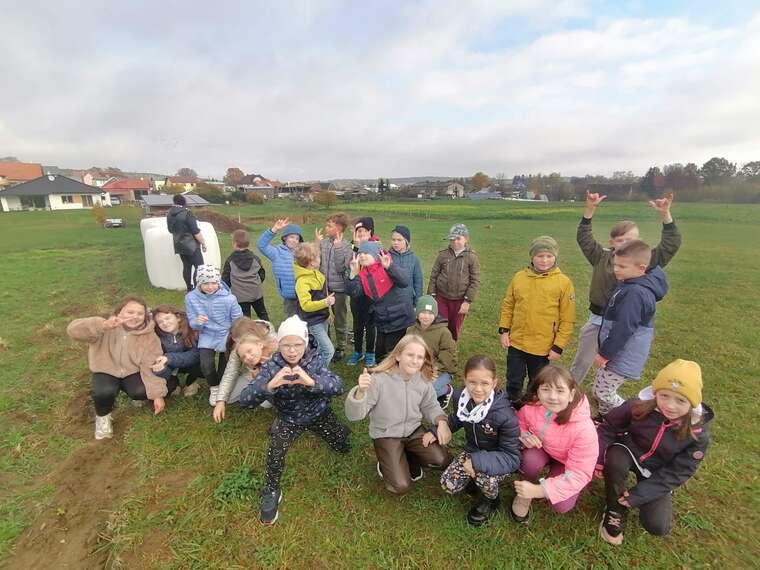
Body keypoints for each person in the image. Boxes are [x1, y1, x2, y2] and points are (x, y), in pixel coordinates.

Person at [239, 316, 351, 525]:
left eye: (297, 345)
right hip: (289, 419)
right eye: (286, 345)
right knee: (275, 451)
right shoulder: (272, 366)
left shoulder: (315, 360)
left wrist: (311, 381)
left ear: (306, 343)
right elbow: (245, 401)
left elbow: (338, 386)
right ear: (278, 344)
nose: (291, 351)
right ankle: (272, 490)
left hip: (319, 414)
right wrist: (270, 385)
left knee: (343, 445)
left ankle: (339, 432)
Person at [597, 359, 712, 545]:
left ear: (692, 403)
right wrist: (599, 458)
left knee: (657, 526)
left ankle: (654, 492)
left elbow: (680, 471)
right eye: (664, 396)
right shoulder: (637, 405)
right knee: (615, 458)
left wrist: (640, 494)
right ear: (655, 392)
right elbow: (608, 426)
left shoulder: (698, 434)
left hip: (659, 472)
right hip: (628, 452)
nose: (670, 405)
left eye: (681, 400)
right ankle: (614, 509)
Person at [571, 191, 682, 383]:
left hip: (624, 323)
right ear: (612, 242)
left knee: (614, 365)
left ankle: (604, 393)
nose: (625, 244)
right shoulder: (601, 257)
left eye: (631, 240)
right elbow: (584, 239)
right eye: (620, 240)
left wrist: (665, 215)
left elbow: (670, 245)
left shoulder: (645, 261)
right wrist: (589, 210)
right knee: (582, 360)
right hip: (598, 319)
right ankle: (569, 392)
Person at [345, 335, 452, 495]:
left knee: (441, 459)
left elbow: (430, 405)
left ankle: (408, 456)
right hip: (386, 435)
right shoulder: (379, 380)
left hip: (413, 431)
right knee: (400, 485)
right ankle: (385, 462)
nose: (415, 361)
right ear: (398, 355)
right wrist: (360, 393)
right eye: (410, 355)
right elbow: (354, 416)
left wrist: (441, 421)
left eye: (420, 357)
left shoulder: (422, 379)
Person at [426, 355, 520, 526]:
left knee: (485, 478)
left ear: (494, 382)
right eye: (472, 382)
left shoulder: (505, 415)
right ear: (465, 380)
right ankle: (475, 479)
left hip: (497, 460)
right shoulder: (462, 399)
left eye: (484, 383)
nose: (477, 389)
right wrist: (437, 429)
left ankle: (491, 500)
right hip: (472, 452)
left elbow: (512, 458)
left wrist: (476, 461)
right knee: (449, 484)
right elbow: (458, 418)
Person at [66, 295, 167, 440]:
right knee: (104, 392)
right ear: (119, 312)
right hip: (105, 370)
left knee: (140, 391)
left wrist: (157, 395)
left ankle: (133, 394)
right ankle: (103, 418)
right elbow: (72, 331)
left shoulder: (150, 336)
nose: (135, 317)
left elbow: (150, 365)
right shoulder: (105, 326)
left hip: (131, 372)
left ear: (145, 316)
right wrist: (102, 325)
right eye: (130, 312)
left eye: (140, 314)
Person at [511, 365, 598, 523]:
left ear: (571, 394)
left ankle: (533, 490)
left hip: (567, 463)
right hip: (543, 449)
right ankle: (525, 489)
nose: (552, 397)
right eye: (546, 389)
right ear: (537, 391)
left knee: (562, 505)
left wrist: (540, 490)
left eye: (560, 390)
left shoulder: (585, 430)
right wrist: (523, 434)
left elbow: (580, 473)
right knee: (529, 460)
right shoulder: (532, 406)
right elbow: (519, 422)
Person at [592, 240, 668, 416]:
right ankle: (605, 419)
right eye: (615, 264)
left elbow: (624, 328)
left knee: (602, 392)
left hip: (623, 354)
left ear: (641, 268)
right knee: (600, 389)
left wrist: (605, 354)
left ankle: (631, 415)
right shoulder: (629, 284)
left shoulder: (634, 293)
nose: (616, 269)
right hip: (619, 353)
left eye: (622, 266)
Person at [498, 236, 576, 402]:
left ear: (555, 257)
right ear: (532, 257)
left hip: (543, 347)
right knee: (513, 380)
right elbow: (508, 305)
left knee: (536, 383)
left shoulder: (563, 283)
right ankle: (512, 406)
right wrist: (504, 330)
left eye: (549, 256)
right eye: (540, 256)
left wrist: (558, 346)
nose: (544, 260)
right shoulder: (519, 277)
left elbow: (567, 319)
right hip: (517, 343)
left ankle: (530, 409)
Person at [345, 240, 415, 363]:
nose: (362, 255)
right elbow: (354, 293)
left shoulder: (386, 266)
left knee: (392, 354)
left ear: (376, 255)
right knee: (380, 354)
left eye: (366, 253)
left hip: (398, 318)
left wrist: (389, 267)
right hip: (382, 320)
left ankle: (396, 378)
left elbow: (404, 281)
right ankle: (384, 376)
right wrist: (353, 273)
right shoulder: (363, 274)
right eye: (360, 253)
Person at [184, 265, 243, 406]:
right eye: (205, 283)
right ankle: (214, 387)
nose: (210, 287)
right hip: (207, 333)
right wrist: (197, 323)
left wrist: (235, 335)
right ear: (199, 283)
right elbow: (192, 321)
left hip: (226, 333)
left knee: (225, 368)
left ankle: (223, 386)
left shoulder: (229, 299)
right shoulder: (191, 298)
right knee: (206, 365)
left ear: (218, 282)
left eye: (214, 283)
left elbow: (238, 319)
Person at [213, 318, 277, 422]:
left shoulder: (274, 342)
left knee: (266, 404)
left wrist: (263, 373)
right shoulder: (239, 347)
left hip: (272, 379)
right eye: (236, 342)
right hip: (251, 375)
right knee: (224, 398)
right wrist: (221, 401)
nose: (238, 346)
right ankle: (251, 389)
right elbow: (230, 373)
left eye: (240, 341)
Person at [427, 223, 481, 341]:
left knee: (453, 328)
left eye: (458, 239)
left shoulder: (471, 257)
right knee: (439, 325)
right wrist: (431, 296)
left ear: (466, 239)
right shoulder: (443, 255)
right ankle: (436, 349)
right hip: (441, 298)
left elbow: (475, 280)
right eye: (452, 239)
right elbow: (434, 276)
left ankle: (450, 351)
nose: (455, 242)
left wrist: (467, 301)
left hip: (459, 300)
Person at [406, 295, 457, 408]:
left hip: (442, 370)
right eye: (423, 312)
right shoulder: (411, 330)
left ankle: (446, 390)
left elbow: (448, 354)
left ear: (435, 314)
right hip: (419, 367)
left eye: (430, 313)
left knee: (427, 390)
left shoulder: (444, 332)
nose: (426, 316)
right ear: (417, 312)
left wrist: (434, 368)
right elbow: (405, 349)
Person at [316, 213, 352, 362]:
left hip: (339, 290)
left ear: (339, 228)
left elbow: (341, 268)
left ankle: (341, 347)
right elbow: (316, 263)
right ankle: (327, 343)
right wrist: (317, 244)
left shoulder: (347, 246)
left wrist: (337, 249)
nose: (326, 228)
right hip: (324, 288)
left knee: (340, 318)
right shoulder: (324, 243)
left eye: (329, 226)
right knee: (324, 317)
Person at [293, 242, 336, 365]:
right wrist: (325, 302)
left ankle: (314, 371)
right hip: (312, 321)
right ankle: (319, 374)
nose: (320, 259)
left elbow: (324, 294)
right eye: (318, 257)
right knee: (328, 351)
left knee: (317, 349)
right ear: (311, 262)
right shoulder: (302, 282)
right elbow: (305, 305)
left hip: (322, 318)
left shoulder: (317, 274)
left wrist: (329, 313)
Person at [256, 218, 304, 318]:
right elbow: (261, 245)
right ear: (285, 238)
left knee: (306, 322)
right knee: (291, 321)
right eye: (291, 237)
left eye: (297, 238)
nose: (294, 240)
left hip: (304, 293)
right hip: (289, 295)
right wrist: (274, 229)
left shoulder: (302, 253)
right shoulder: (276, 253)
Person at [151, 304, 202, 397]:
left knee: (203, 362)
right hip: (171, 366)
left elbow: (196, 354)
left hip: (190, 363)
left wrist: (169, 358)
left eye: (167, 318)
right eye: (160, 322)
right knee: (160, 373)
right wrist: (160, 368)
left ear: (178, 317)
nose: (165, 323)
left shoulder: (191, 328)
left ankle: (191, 381)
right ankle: (174, 383)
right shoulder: (156, 335)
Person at [347, 217, 377, 366]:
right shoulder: (354, 247)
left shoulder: (375, 246)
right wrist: (355, 247)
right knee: (357, 324)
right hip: (357, 294)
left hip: (371, 294)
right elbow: (350, 265)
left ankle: (370, 353)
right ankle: (358, 351)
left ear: (370, 232)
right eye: (358, 231)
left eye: (363, 231)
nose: (360, 234)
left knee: (371, 325)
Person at [222, 229, 269, 321]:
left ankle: (246, 334)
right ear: (248, 244)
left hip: (240, 296)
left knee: (245, 319)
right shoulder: (256, 258)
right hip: (256, 293)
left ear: (234, 244)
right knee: (263, 314)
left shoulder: (230, 261)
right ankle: (269, 332)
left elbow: (225, 280)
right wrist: (257, 283)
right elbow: (262, 274)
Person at [166, 194, 206, 291]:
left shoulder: (169, 214)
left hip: (179, 245)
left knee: (186, 266)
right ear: (184, 202)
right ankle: (197, 288)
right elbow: (195, 231)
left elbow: (170, 230)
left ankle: (189, 288)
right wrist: (203, 242)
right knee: (199, 267)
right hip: (192, 245)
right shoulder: (187, 213)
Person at [388, 225, 423, 305]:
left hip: (408, 301)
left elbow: (418, 282)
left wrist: (417, 303)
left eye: (399, 240)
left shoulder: (414, 259)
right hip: (391, 302)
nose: (396, 242)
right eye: (393, 240)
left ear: (406, 241)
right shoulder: (387, 257)